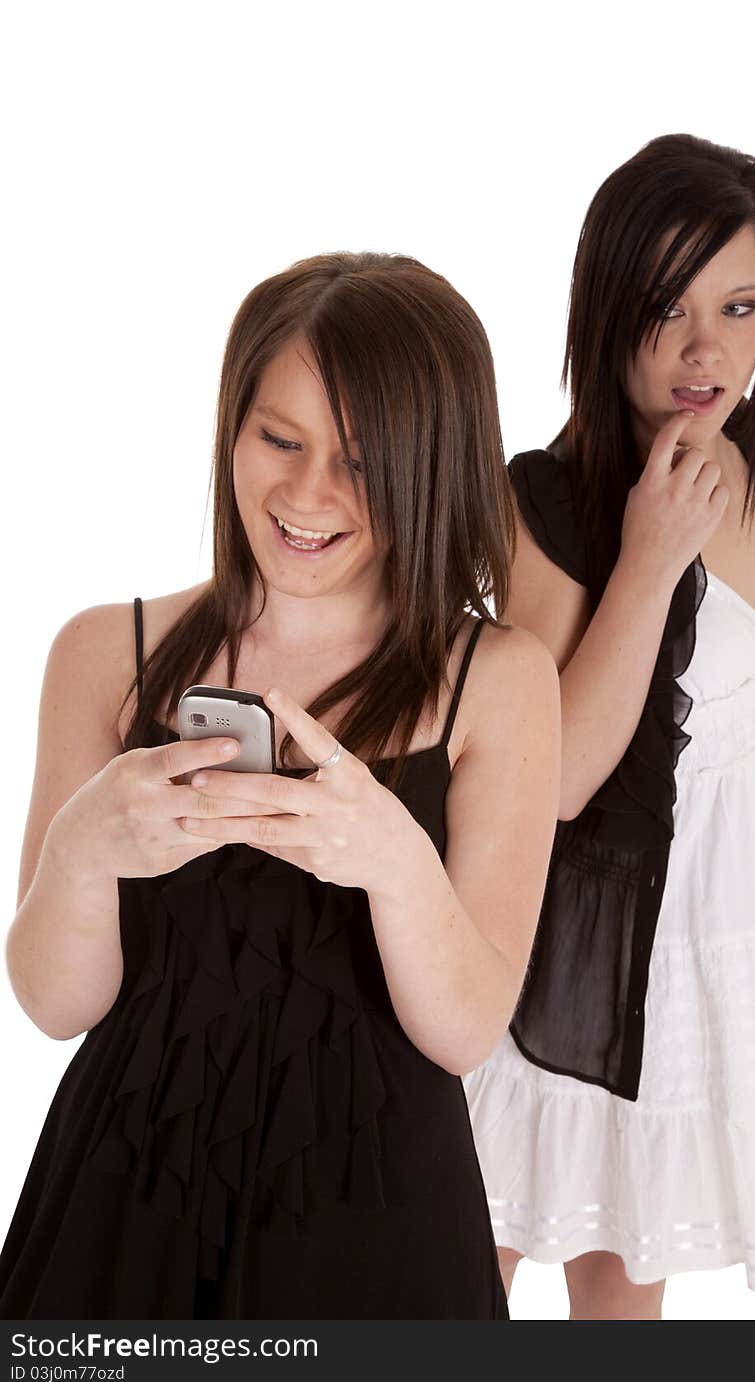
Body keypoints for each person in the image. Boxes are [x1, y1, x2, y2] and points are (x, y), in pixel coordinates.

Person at [0, 251, 560, 1318]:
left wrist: (392, 862)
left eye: (359, 460)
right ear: (232, 428)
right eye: (279, 439)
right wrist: (84, 851)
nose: (307, 495)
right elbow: (51, 1001)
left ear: (427, 464)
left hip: (378, 1213)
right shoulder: (105, 653)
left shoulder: (500, 679)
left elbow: (465, 1028)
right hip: (127, 1200)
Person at [462, 134, 755, 1319]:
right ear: (604, 309)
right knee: (450, 1297)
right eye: (667, 308)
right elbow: (561, 780)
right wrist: (644, 562)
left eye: (740, 308)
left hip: (706, 966)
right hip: (570, 967)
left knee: (625, 1316)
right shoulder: (548, 501)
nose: (706, 350)